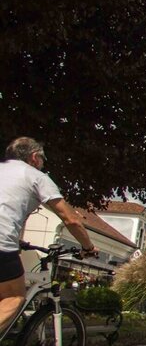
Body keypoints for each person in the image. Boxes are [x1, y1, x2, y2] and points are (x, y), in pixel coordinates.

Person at [0, 137, 98, 334]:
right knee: (13, 296)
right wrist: (88, 247)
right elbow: (71, 220)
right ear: (34, 157)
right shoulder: (36, 177)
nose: (43, 163)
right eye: (43, 159)